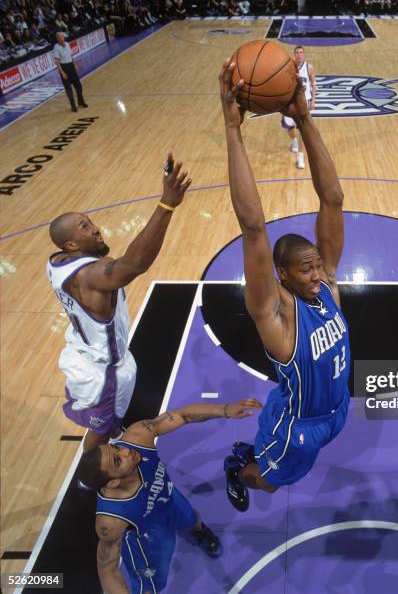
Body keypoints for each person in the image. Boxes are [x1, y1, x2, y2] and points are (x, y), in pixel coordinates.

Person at [219, 60, 350, 512]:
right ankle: (239, 469)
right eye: (306, 269)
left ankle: (257, 459)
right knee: (272, 483)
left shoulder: (327, 286)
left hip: (334, 413)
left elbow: (332, 199)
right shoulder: (277, 314)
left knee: (295, 469)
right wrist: (233, 131)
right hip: (295, 426)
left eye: (318, 264)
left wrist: (305, 118)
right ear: (283, 277)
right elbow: (253, 226)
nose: (319, 274)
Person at [47, 154, 192, 451]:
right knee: (103, 432)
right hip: (103, 374)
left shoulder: (56, 262)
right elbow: (134, 264)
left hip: (82, 349)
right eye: (84, 227)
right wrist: (166, 206)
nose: (96, 228)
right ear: (71, 245)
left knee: (108, 426)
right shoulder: (90, 276)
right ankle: (91, 481)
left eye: (89, 222)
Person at [78, 397, 262, 593]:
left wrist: (226, 409)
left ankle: (199, 532)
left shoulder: (137, 436)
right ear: (113, 482)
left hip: (169, 499)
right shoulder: (110, 520)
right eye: (117, 461)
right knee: (150, 587)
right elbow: (107, 570)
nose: (125, 452)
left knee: (193, 519)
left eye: (116, 447)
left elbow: (182, 416)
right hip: (148, 535)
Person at [282, 45, 317, 170]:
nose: (299, 54)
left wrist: (313, 100)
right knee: (289, 127)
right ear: (294, 54)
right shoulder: (289, 67)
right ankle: (293, 141)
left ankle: (300, 156)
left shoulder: (309, 67)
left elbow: (314, 83)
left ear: (304, 54)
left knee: (303, 129)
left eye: (301, 52)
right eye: (297, 52)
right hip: (290, 102)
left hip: (304, 101)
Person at [53, 31, 87, 112]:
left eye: (63, 37)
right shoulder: (56, 47)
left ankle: (81, 102)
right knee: (69, 89)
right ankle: (73, 106)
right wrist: (62, 72)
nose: (62, 38)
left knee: (78, 86)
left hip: (71, 66)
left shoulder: (67, 44)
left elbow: (71, 55)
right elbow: (57, 61)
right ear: (57, 38)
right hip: (64, 67)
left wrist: (75, 65)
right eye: (61, 37)